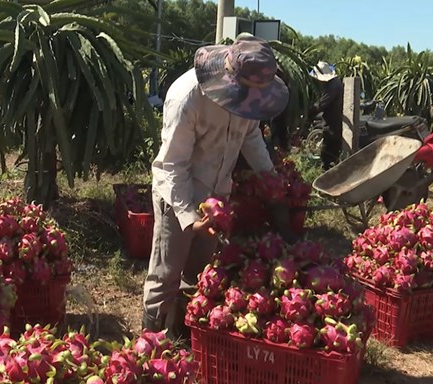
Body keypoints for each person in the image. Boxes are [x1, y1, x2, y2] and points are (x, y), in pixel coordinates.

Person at [141, 35, 293, 339]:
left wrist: (269, 176)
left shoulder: (250, 100)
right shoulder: (188, 98)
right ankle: (149, 341)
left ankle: (180, 335)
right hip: (178, 195)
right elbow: (173, 164)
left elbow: (251, 137)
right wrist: (189, 217)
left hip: (217, 196)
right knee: (166, 273)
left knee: (198, 272)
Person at [309, 61, 344, 170]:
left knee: (327, 157)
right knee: (333, 155)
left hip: (333, 127)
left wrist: (307, 114)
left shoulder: (333, 86)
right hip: (337, 124)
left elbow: (321, 104)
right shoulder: (337, 83)